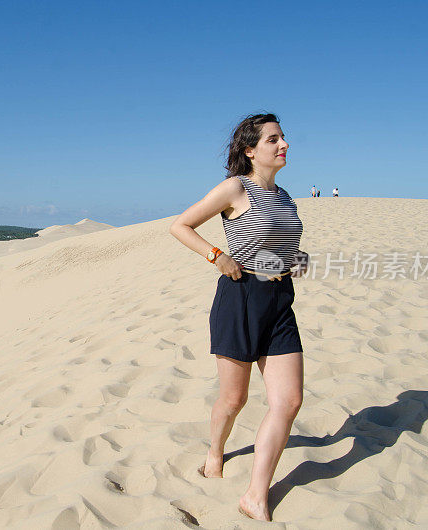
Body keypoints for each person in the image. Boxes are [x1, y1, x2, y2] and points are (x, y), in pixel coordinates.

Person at [169, 113, 309, 522]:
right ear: (251, 150)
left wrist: (295, 258)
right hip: (240, 297)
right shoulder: (235, 188)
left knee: (289, 400)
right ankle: (215, 451)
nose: (283, 144)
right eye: (273, 139)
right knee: (235, 399)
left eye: (283, 138)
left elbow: (282, 243)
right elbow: (181, 225)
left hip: (280, 299)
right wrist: (217, 255)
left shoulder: (285, 197)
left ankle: (254, 495)